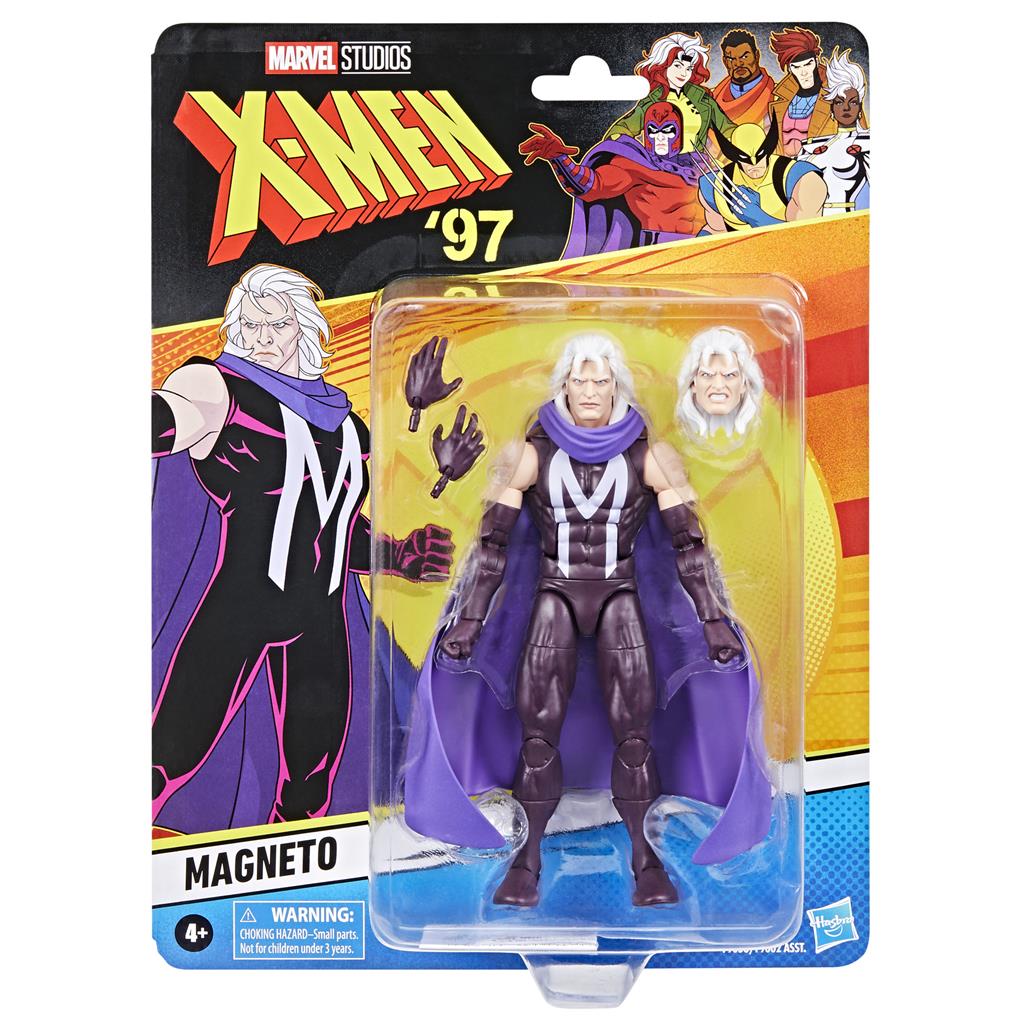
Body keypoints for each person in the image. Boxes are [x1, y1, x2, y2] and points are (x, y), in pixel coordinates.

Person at [403, 334, 771, 908]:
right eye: (581, 380)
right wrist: (471, 621)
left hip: (620, 594)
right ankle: (526, 860)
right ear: (565, 385)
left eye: (601, 381)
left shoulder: (651, 458)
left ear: (615, 385)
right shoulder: (530, 456)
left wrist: (712, 619)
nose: (592, 391)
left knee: (635, 734)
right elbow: (492, 547)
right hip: (554, 593)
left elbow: (690, 546)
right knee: (538, 735)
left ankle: (646, 859)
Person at [152, 263, 453, 830]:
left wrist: (398, 555)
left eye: (277, 324)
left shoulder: (346, 425)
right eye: (251, 325)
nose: (262, 338)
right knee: (163, 761)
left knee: (310, 789)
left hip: (320, 621)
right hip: (239, 610)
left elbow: (332, 526)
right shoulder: (219, 389)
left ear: (304, 329)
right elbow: (173, 418)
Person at [519, 102, 706, 253]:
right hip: (661, 251)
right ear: (645, 133)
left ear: (679, 131)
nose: (660, 138)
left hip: (707, 248)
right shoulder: (633, 164)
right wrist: (560, 159)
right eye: (654, 131)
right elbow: (593, 185)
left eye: (667, 131)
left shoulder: (697, 162)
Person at [697, 119, 826, 232]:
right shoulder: (714, 185)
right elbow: (715, 231)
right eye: (745, 158)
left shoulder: (802, 179)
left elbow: (805, 235)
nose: (754, 163)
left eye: (759, 155)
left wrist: (758, 218)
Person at [798, 47, 870, 214]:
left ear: (860, 109)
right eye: (839, 102)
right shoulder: (811, 146)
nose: (846, 108)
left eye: (853, 102)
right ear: (831, 109)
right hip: (812, 218)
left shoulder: (868, 143)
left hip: (847, 217)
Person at [768, 26, 834, 155]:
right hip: (785, 164)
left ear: (816, 61)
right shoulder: (781, 98)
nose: (804, 72)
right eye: (796, 67)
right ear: (789, 69)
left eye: (808, 64)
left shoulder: (837, 94)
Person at [710, 28, 776, 128]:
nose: (738, 63)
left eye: (744, 57)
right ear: (724, 61)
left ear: (757, 56)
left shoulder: (777, 95)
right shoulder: (713, 98)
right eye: (731, 59)